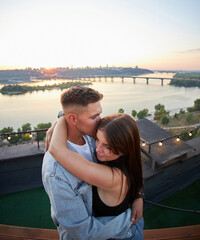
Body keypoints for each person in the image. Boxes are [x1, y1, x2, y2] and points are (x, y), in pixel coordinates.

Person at [42, 86, 144, 240]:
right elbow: (79, 233)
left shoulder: (95, 136)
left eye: (99, 114)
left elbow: (58, 148)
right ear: (73, 119)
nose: (100, 121)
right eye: (94, 116)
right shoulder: (55, 172)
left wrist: (138, 195)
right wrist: (127, 222)